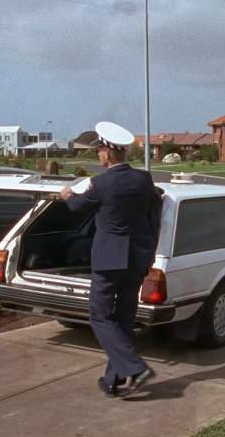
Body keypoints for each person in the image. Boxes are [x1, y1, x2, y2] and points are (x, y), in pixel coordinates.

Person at [60, 121, 160, 398]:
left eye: (99, 150)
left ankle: (135, 368)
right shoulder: (144, 180)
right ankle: (114, 380)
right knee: (123, 317)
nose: (98, 154)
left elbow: (79, 207)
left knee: (99, 316)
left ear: (107, 153)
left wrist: (66, 195)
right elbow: (155, 214)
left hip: (108, 259)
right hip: (137, 257)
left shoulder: (100, 184)